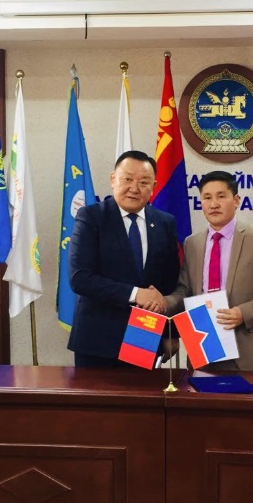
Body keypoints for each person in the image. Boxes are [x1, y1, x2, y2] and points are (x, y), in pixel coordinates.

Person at [164, 170, 253, 371]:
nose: (213, 204)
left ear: (236, 200)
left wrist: (244, 313)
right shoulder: (192, 243)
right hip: (204, 346)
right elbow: (184, 290)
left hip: (248, 350)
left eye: (221, 196)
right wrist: (164, 303)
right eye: (207, 197)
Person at [68, 150, 179, 367]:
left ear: (154, 186)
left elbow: (170, 283)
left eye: (143, 182)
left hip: (146, 336)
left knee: (144, 390)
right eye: (127, 179)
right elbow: (80, 278)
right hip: (98, 342)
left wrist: (170, 333)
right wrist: (136, 294)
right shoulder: (91, 217)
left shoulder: (165, 223)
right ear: (113, 179)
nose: (134, 188)